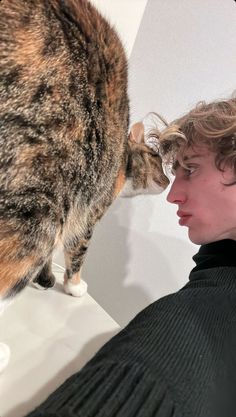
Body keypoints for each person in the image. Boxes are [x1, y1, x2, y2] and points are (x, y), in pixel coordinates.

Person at [27, 97, 236, 417]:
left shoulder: (195, 318)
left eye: (191, 169)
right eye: (175, 171)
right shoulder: (215, 269)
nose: (172, 194)